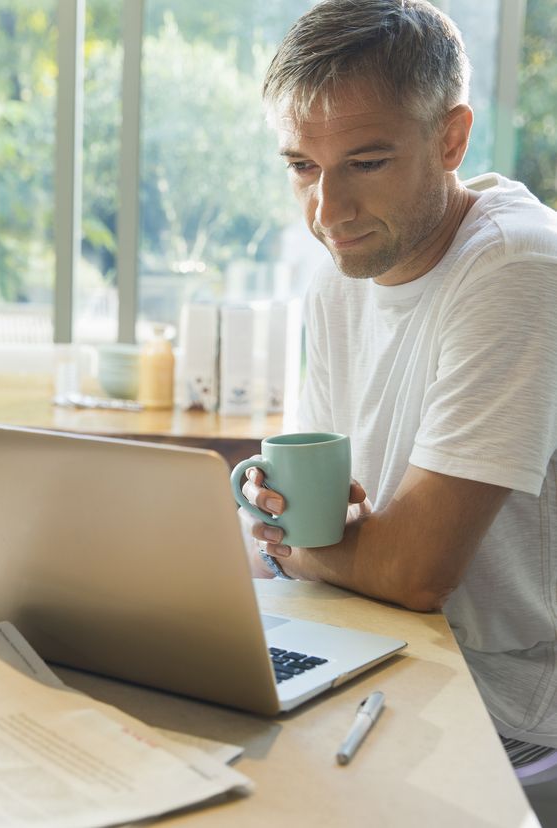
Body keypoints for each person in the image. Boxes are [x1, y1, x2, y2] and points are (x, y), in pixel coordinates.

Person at [239, 0, 557, 761]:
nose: (328, 211)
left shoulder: (518, 267)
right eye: (302, 166)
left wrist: (287, 546)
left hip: (502, 704)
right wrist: (284, 525)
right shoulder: (342, 276)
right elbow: (321, 522)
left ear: (451, 139)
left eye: (366, 163)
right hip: (369, 650)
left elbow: (415, 575)